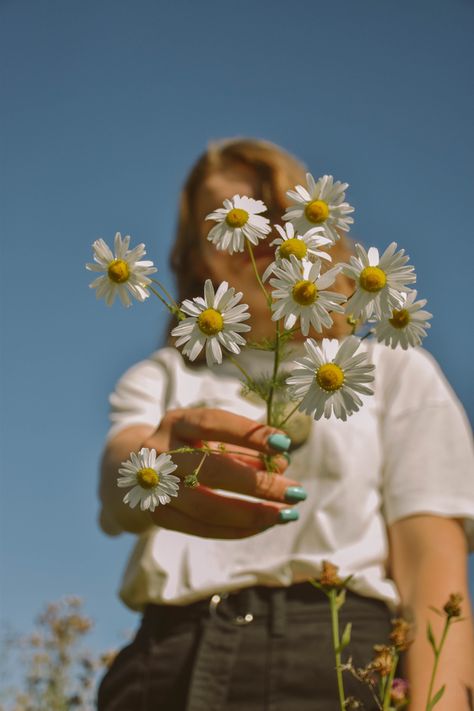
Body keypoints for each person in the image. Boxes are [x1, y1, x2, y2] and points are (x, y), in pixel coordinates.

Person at [97, 138, 474, 711]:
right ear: (198, 256)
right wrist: (150, 468)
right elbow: (118, 483)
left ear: (315, 228)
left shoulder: (394, 370)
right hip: (167, 662)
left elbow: (431, 574)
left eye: (273, 215)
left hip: (336, 659)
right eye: (227, 222)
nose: (256, 238)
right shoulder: (169, 374)